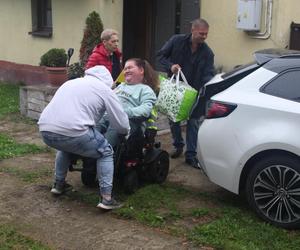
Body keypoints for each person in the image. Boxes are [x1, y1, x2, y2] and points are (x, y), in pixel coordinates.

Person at [38, 66, 130, 210]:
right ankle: (107, 199)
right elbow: (121, 123)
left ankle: (58, 184)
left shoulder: (70, 83)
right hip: (74, 130)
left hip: (45, 129)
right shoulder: (104, 89)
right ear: (108, 80)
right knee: (106, 152)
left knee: (65, 148)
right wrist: (125, 132)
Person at [157, 18, 215, 169]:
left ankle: (191, 155)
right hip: (175, 89)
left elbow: (209, 73)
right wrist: (171, 67)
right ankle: (178, 145)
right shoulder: (176, 41)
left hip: (195, 92)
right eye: (201, 33)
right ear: (193, 30)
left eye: (206, 34)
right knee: (173, 118)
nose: (204, 37)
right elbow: (161, 56)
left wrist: (207, 87)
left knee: (193, 121)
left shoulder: (208, 53)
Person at [98, 58, 158, 147]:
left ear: (141, 70)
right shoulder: (120, 86)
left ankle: (102, 152)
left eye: (130, 68)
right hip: (108, 117)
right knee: (92, 126)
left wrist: (123, 112)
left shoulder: (145, 90)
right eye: (125, 69)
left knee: (113, 131)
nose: (126, 71)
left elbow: (146, 110)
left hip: (130, 122)